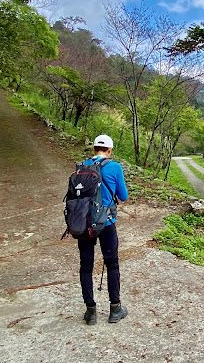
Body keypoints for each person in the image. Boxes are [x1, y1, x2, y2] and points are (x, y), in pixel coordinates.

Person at [78, 134, 129, 325]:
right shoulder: (114, 167)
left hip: (84, 224)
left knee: (86, 265)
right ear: (109, 150)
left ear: (94, 149)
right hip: (106, 223)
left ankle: (90, 312)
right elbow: (123, 196)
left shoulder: (82, 166)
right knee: (112, 264)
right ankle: (115, 309)